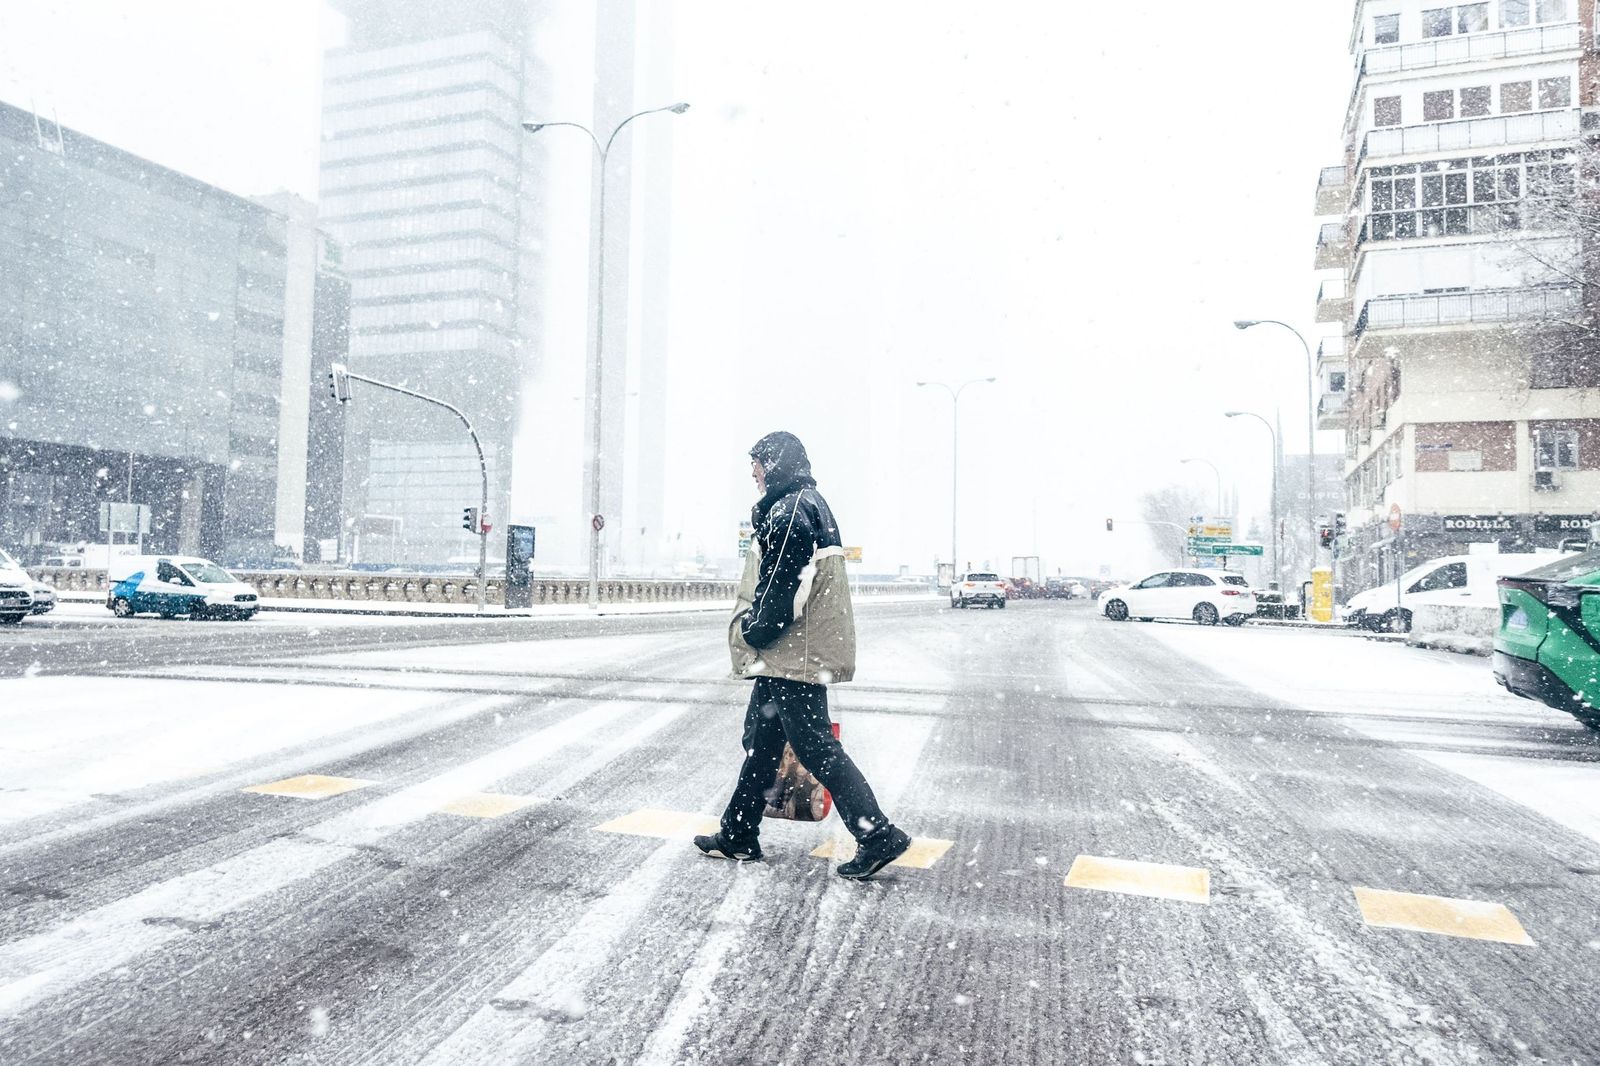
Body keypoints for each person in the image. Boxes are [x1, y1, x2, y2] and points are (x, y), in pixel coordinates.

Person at [694, 431, 913, 880]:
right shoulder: (803, 503)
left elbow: (783, 588)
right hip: (793, 653)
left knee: (815, 747)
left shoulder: (790, 510)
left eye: (756, 463)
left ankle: (877, 835)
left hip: (793, 653)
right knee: (763, 743)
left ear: (773, 463)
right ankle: (738, 833)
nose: (753, 473)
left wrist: (754, 629)